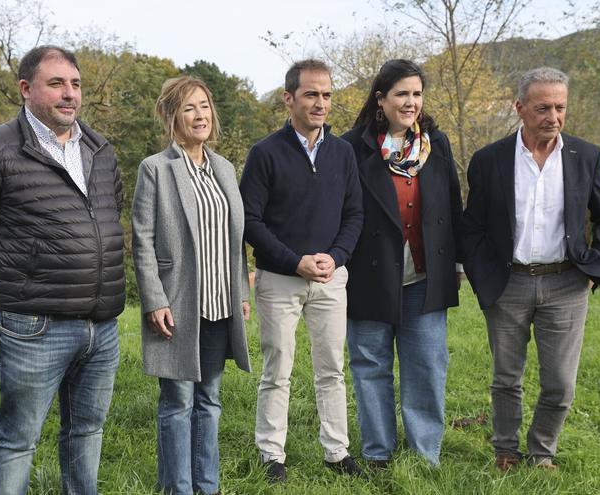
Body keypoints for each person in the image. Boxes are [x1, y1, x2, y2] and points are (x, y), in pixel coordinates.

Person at [0, 45, 125, 494]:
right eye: (56, 83)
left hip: (101, 326)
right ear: (26, 88)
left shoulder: (99, 149)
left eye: (75, 84)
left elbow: (108, 214)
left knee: (87, 430)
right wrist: (16, 278)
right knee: (18, 439)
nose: (70, 94)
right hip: (33, 326)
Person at [463, 67, 600, 471]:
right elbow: (473, 226)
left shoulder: (586, 156)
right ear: (519, 108)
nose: (553, 117)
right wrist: (482, 276)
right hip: (508, 283)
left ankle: (542, 452)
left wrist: (595, 269)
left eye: (560, 107)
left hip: (567, 283)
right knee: (506, 377)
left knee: (560, 383)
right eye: (543, 108)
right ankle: (505, 450)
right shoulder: (489, 160)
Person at [240, 59, 364, 483]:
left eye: (327, 95)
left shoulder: (343, 153)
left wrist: (337, 256)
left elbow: (355, 214)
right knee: (277, 370)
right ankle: (271, 454)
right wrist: (295, 261)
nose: (320, 103)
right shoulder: (265, 154)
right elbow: (250, 221)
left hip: (330, 277)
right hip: (279, 280)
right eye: (311, 94)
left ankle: (337, 452)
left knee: (332, 369)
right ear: (288, 98)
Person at [131, 75, 252, 495]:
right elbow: (142, 239)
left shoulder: (224, 168)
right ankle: (178, 489)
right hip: (178, 304)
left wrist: (241, 291)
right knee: (178, 403)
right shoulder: (156, 168)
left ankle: (208, 486)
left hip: (220, 304)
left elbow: (235, 237)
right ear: (172, 116)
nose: (200, 115)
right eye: (189, 108)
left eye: (204, 106)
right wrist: (154, 299)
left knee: (210, 401)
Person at [340, 59, 463, 467]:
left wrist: (458, 265)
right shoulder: (352, 147)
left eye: (417, 94)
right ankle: (378, 452)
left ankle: (424, 456)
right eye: (401, 94)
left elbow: (452, 207)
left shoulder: (436, 144)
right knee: (371, 366)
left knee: (426, 367)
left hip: (425, 277)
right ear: (381, 99)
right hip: (369, 277)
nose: (411, 102)